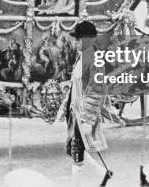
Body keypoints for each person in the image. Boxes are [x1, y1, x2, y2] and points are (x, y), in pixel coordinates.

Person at [63, 21, 112, 187]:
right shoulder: (83, 56)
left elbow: (96, 91)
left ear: (86, 40)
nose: (74, 42)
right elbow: (74, 85)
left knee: (77, 153)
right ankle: (103, 174)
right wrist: (66, 106)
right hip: (75, 112)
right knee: (75, 148)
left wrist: (87, 121)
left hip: (83, 114)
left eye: (77, 39)